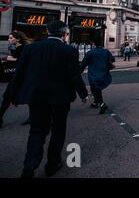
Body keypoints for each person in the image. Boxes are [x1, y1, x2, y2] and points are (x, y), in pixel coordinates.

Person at [9, 21, 88, 178]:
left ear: (47, 32)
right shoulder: (69, 50)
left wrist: (13, 95)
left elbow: (19, 73)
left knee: (37, 131)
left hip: (36, 97)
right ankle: (52, 164)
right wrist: (83, 94)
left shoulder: (31, 48)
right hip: (60, 98)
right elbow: (74, 75)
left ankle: (29, 167)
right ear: (65, 34)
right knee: (58, 131)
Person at [0, 31, 31, 128]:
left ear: (17, 39)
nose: (9, 39)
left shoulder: (23, 48)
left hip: (23, 77)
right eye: (9, 37)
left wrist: (7, 58)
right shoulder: (14, 47)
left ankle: (33, 118)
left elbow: (21, 60)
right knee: (7, 97)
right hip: (16, 76)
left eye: (11, 38)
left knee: (29, 97)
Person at [80, 38, 115, 114]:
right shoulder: (106, 52)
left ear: (94, 44)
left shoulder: (90, 53)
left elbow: (83, 63)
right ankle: (96, 102)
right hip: (104, 73)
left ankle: (102, 104)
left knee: (94, 89)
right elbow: (112, 59)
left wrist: (80, 71)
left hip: (93, 74)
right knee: (98, 89)